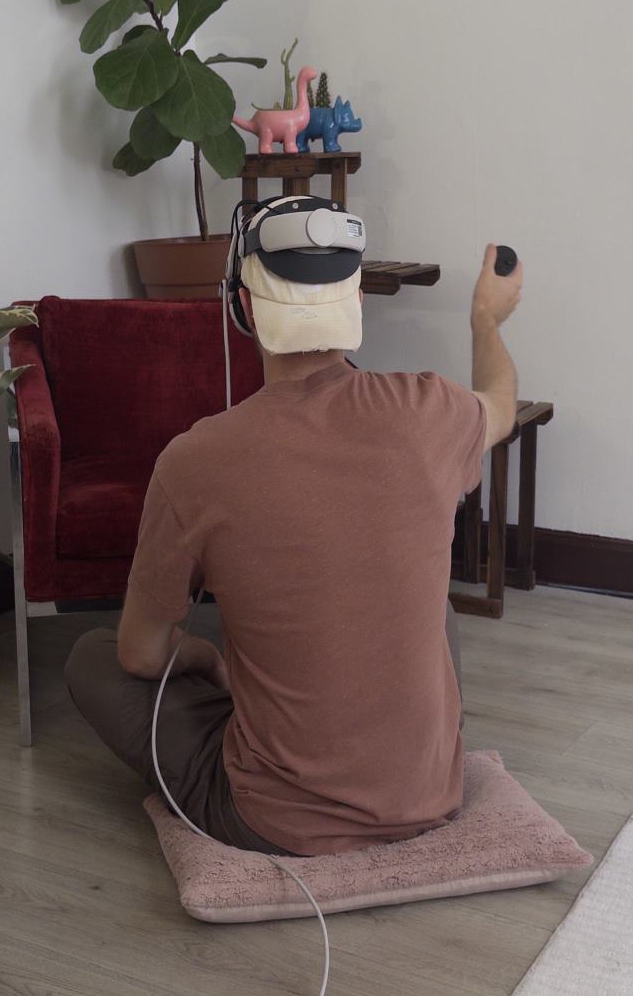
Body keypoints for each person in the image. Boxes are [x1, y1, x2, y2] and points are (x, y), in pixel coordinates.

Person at [65, 209, 523, 856]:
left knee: (91, 657)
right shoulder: (433, 409)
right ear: (357, 299)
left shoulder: (194, 460)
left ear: (243, 307)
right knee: (435, 612)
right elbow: (501, 404)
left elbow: (139, 656)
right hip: (431, 797)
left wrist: (208, 659)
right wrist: (486, 319)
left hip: (272, 822)